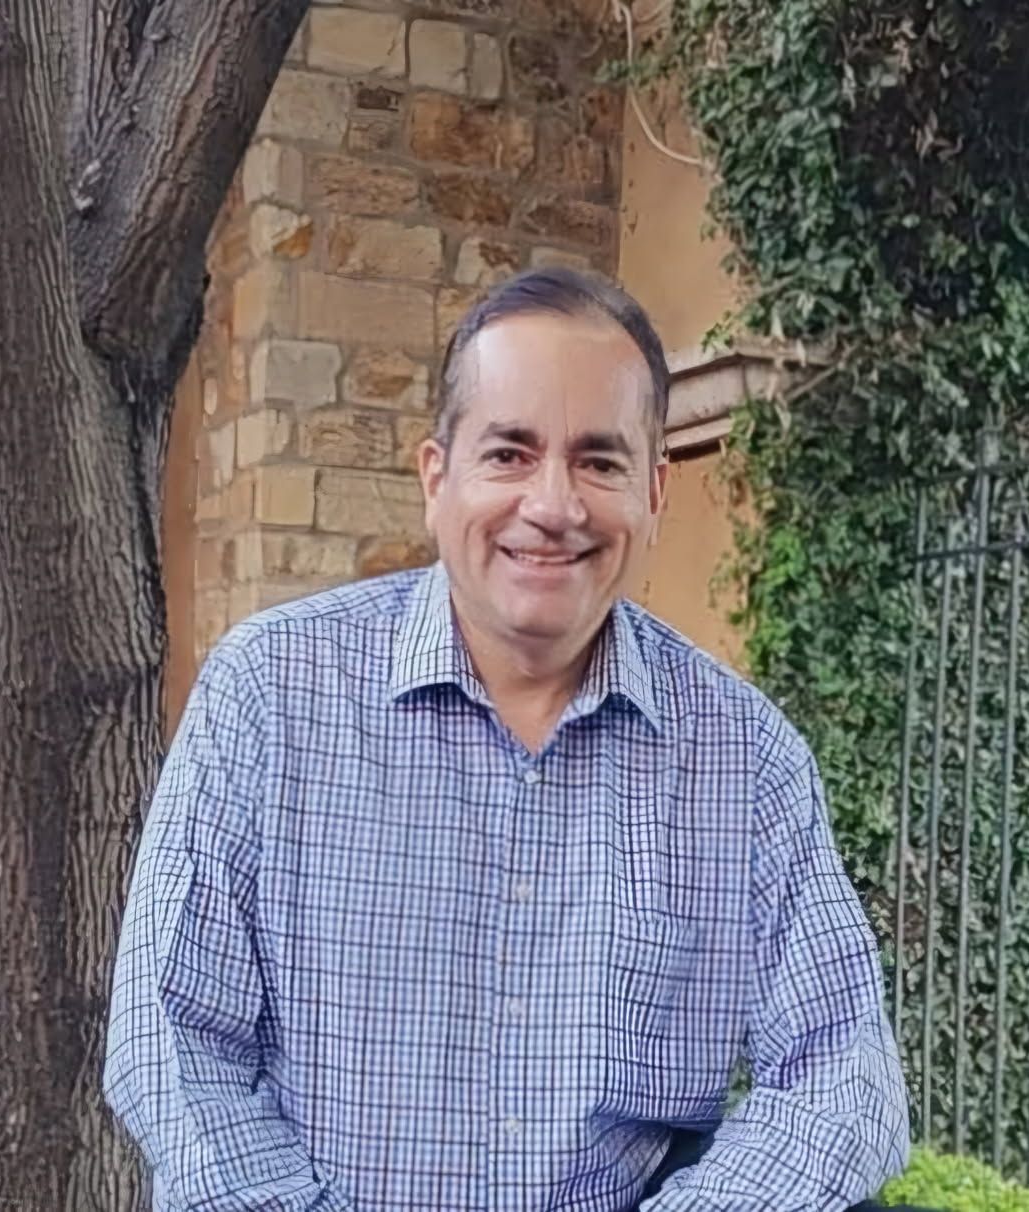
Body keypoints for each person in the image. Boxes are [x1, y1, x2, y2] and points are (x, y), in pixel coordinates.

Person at [103, 267, 913, 1211]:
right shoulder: (271, 699)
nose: (554, 505)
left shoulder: (744, 762)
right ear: (436, 477)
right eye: (510, 454)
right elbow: (174, 1047)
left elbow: (842, 1079)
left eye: (600, 461)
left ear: (654, 492)